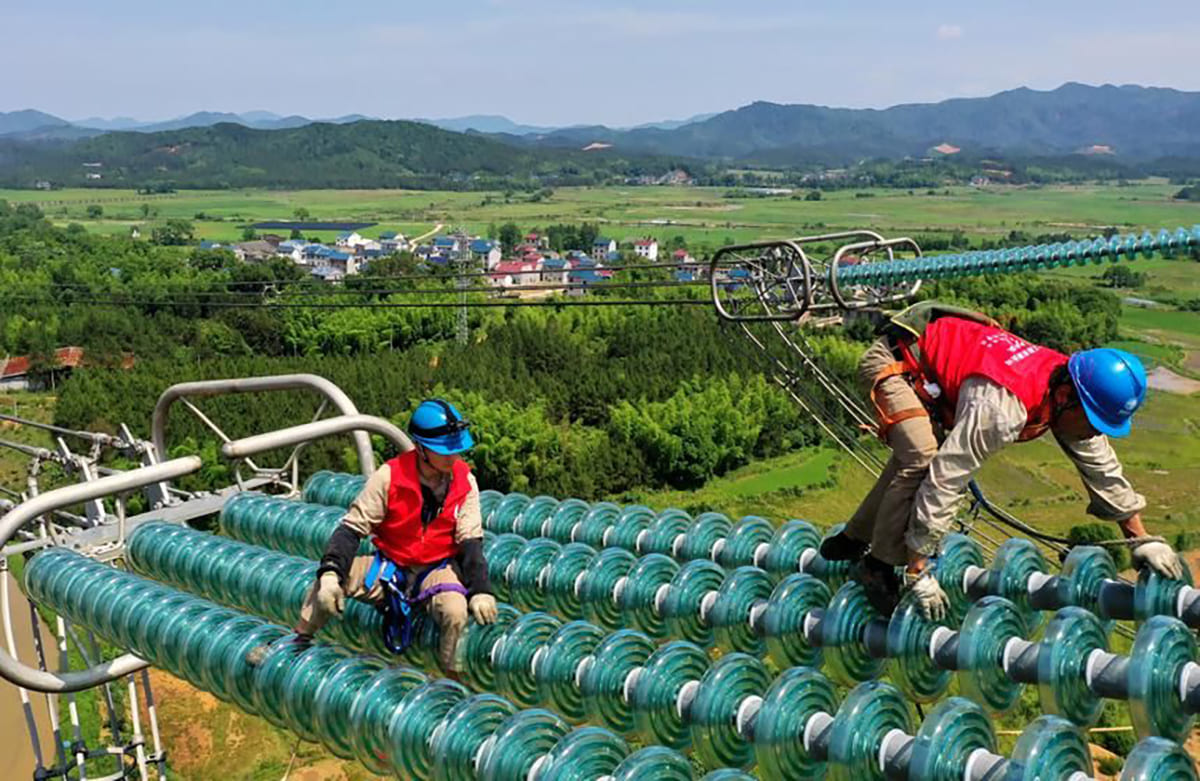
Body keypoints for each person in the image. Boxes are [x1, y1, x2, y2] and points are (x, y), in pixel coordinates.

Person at [820, 301, 1184, 619]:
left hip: (931, 371)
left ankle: (852, 539)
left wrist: (1140, 539)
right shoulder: (1002, 408)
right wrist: (919, 567)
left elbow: (1101, 467)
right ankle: (878, 565)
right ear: (1065, 396)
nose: (1093, 432)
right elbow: (947, 479)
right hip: (898, 362)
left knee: (913, 458)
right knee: (920, 458)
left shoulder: (1069, 387)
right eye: (1093, 421)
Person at [249, 399, 497, 674]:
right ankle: (296, 640)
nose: (453, 457)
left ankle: (451, 676)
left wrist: (480, 591)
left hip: (437, 566)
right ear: (421, 448)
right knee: (326, 584)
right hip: (390, 564)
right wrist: (331, 573)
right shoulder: (390, 477)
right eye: (445, 451)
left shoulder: (465, 481)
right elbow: (352, 528)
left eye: (457, 450)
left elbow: (470, 540)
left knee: (455, 611)